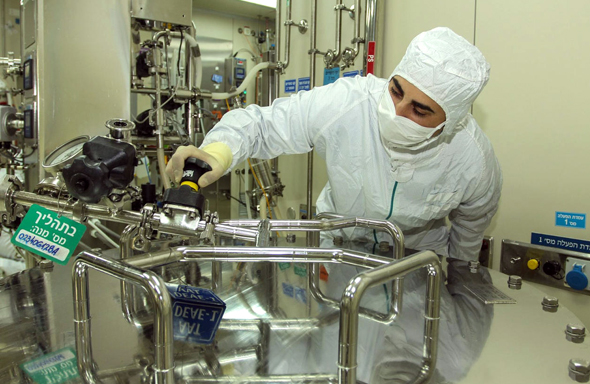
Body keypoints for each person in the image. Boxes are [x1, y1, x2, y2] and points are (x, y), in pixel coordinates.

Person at [166, 27, 502, 261]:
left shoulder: (473, 159)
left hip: (414, 261)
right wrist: (218, 151)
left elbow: (471, 227)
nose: (396, 112)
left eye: (420, 110)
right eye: (397, 91)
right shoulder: (349, 103)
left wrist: (458, 280)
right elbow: (261, 125)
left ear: (451, 121)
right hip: (337, 248)